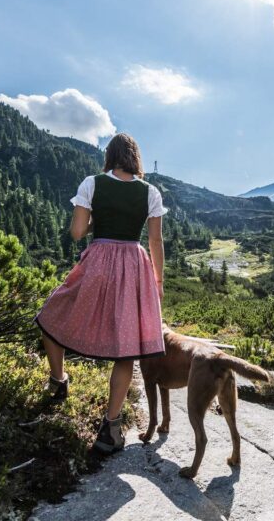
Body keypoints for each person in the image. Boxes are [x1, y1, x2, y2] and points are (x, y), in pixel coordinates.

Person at [34, 133, 167, 454]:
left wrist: (98, 221)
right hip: (135, 264)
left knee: (51, 316)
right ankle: (110, 427)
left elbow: (78, 232)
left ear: (109, 156)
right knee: (126, 350)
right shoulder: (149, 192)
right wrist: (157, 281)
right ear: (135, 158)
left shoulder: (92, 184)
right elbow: (156, 241)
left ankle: (58, 380)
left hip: (98, 261)